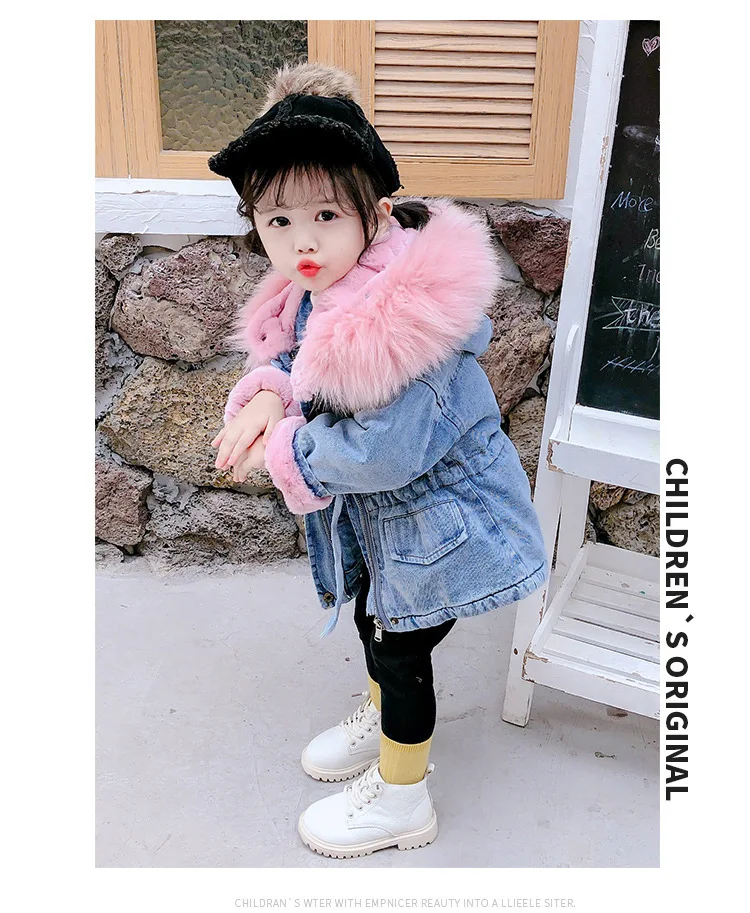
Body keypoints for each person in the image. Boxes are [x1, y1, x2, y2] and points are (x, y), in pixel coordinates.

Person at [208, 62, 548, 859]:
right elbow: (300, 364)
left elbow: (384, 451)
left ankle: (403, 798)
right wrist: (269, 395)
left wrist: (284, 447)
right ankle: (382, 724)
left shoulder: (408, 326)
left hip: (447, 526)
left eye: (326, 214)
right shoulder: (322, 285)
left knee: (401, 653)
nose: (302, 242)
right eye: (278, 220)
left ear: (378, 211)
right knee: (375, 619)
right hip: (394, 526)